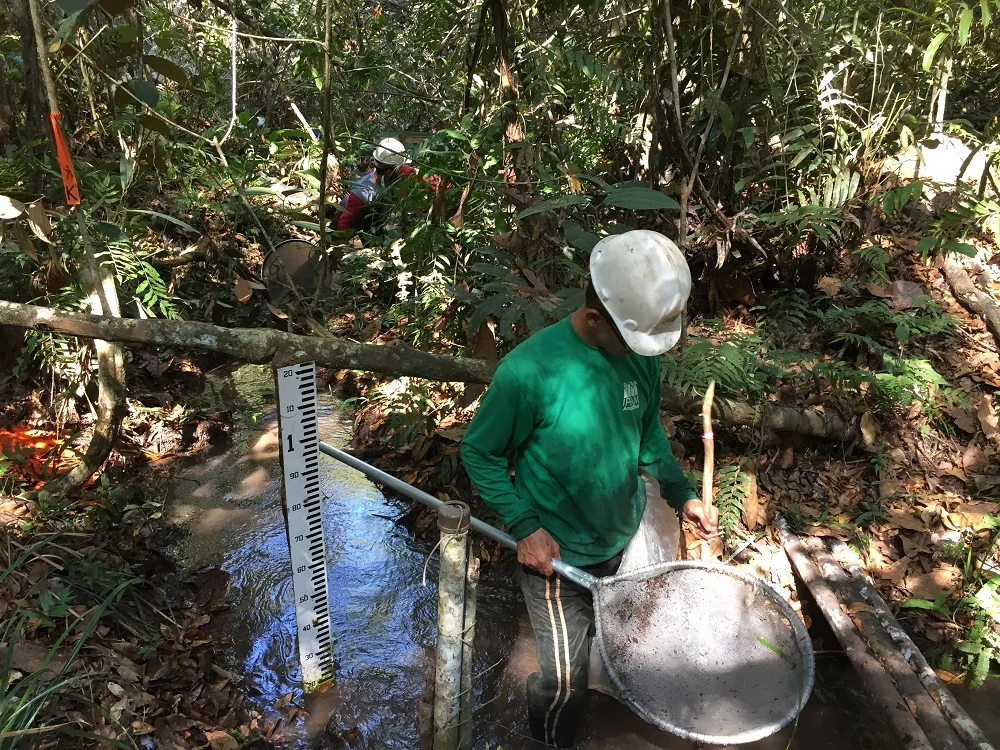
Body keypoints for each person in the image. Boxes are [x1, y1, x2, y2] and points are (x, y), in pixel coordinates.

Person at [460, 230, 719, 748]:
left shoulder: (639, 354)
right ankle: (551, 740)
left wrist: (682, 493)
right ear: (596, 317)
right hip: (554, 556)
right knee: (561, 684)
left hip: (617, 542)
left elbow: (647, 437)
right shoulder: (528, 372)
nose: (638, 351)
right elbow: (478, 452)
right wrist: (525, 527)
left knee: (604, 646)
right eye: (629, 340)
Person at [336, 137, 416, 233]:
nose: (403, 169)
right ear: (390, 171)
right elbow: (344, 222)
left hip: (374, 218)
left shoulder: (398, 171)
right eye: (400, 167)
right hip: (355, 216)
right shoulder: (362, 192)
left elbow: (425, 177)